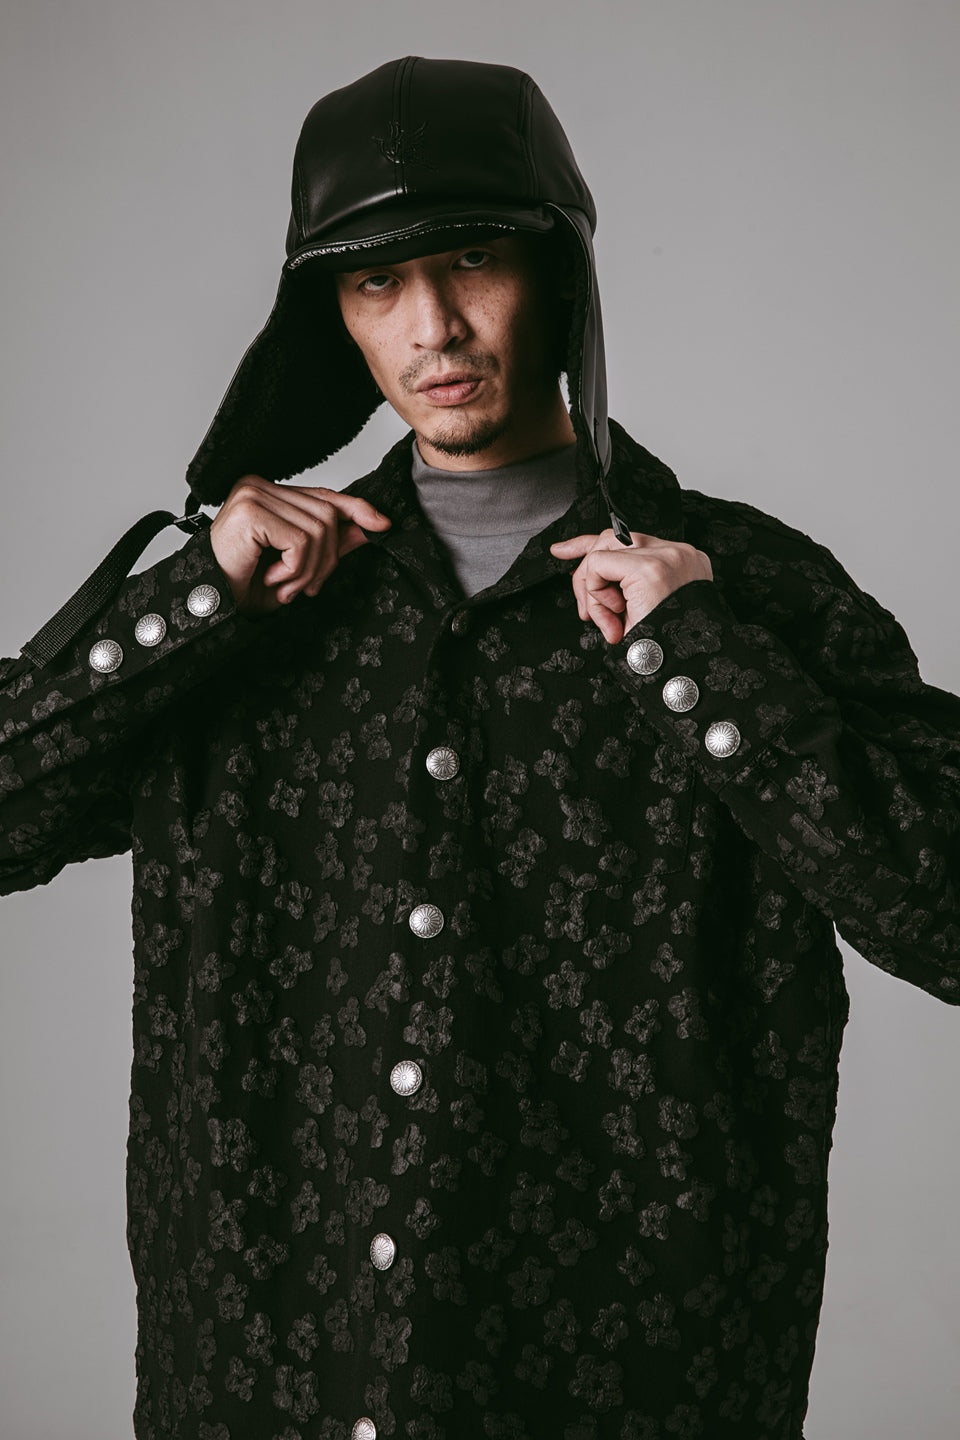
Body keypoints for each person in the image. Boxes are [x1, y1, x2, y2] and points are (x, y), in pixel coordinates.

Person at [1, 54, 957, 1440]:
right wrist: (190, 602)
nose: (433, 326)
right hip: (267, 1389)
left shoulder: (753, 593)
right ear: (330, 313)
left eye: (471, 262)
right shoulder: (248, 610)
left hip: (635, 1390)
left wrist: (707, 660)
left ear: (558, 273)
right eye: (376, 281)